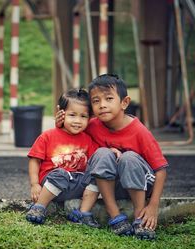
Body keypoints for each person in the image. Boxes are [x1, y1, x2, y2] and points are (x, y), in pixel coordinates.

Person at [56, 74, 168, 240]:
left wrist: (153, 205)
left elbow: (161, 170)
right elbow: (71, 136)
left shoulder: (139, 131)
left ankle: (140, 217)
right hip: (111, 185)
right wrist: (60, 125)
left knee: (128, 157)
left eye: (109, 98)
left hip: (141, 184)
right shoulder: (92, 125)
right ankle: (115, 215)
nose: (102, 105)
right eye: (96, 101)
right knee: (102, 153)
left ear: (124, 102)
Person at [26, 88, 100, 228]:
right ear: (60, 112)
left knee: (97, 176)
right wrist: (35, 184)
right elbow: (34, 160)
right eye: (72, 115)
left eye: (83, 116)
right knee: (61, 174)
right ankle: (39, 207)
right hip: (52, 183)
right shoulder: (47, 136)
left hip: (77, 185)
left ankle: (82, 213)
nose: (77, 121)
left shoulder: (88, 140)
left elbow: (96, 161)